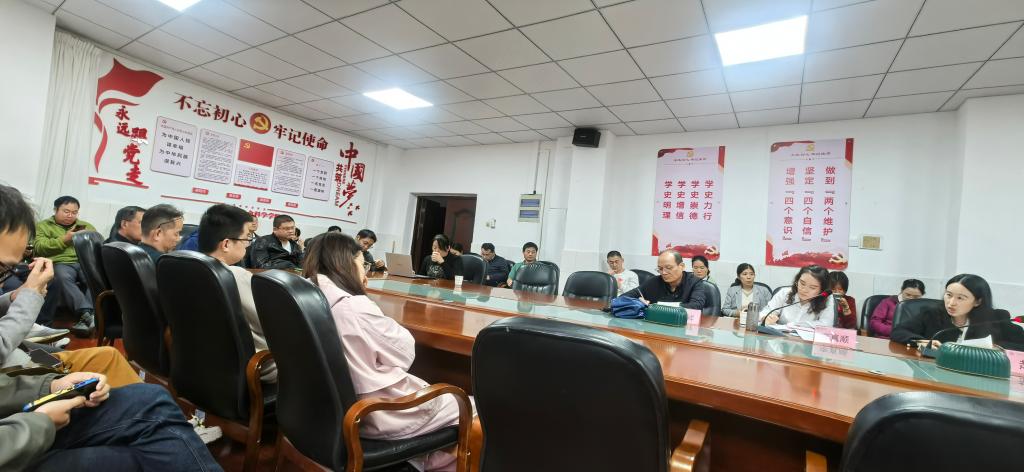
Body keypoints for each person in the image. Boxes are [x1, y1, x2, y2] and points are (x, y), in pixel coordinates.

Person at [303, 233, 467, 471]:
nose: (365, 271)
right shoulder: (352, 306)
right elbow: (405, 354)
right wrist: (364, 300)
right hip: (375, 412)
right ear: (347, 264)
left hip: (325, 412)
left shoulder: (308, 292)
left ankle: (418, 462)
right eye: (363, 264)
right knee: (470, 406)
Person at [197, 204, 276, 382]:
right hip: (250, 366)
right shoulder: (234, 275)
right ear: (226, 244)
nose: (248, 244)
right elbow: (269, 324)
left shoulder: (186, 266)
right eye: (247, 238)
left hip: (201, 357)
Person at [891, 274, 1024, 350]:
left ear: (977, 301)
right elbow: (898, 331)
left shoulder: (995, 319)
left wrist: (997, 347)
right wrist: (920, 341)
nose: (951, 303)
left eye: (960, 298)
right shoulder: (932, 314)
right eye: (948, 295)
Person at [32, 196, 95, 337]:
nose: (70, 215)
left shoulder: (86, 226)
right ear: (55, 210)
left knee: (94, 277)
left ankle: (86, 318)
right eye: (66, 211)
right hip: (60, 263)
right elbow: (39, 247)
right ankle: (87, 313)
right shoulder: (43, 226)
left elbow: (97, 244)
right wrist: (65, 239)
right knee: (61, 277)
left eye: (74, 212)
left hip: (84, 262)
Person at [622, 249, 710, 310]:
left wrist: (657, 306)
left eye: (668, 268)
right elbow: (623, 298)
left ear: (681, 266)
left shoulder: (695, 282)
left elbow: (696, 306)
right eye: (660, 269)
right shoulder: (653, 282)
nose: (663, 273)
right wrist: (638, 302)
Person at [758, 265, 835, 328]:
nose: (804, 290)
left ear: (822, 290)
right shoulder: (784, 293)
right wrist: (766, 317)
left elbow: (826, 324)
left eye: (812, 287)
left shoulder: (826, 299)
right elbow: (765, 312)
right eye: (802, 283)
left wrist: (795, 325)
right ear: (797, 281)